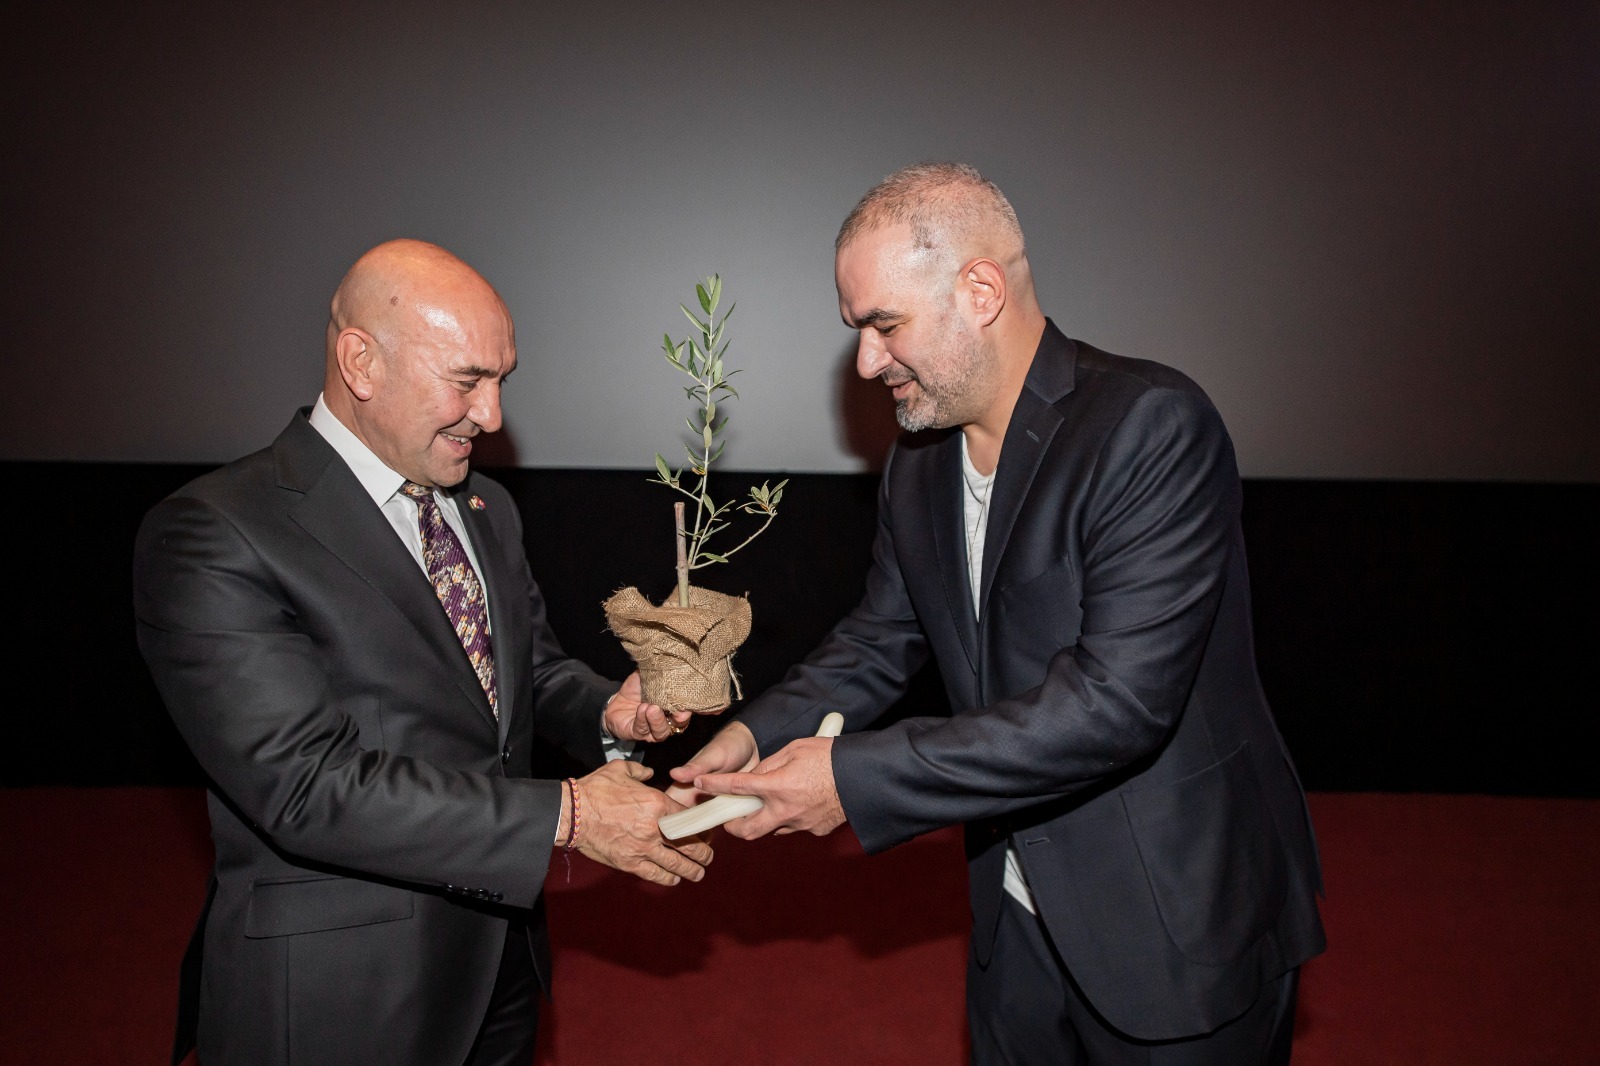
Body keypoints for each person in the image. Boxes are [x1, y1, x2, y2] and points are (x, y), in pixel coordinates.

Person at [673, 163, 1326, 1064]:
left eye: (885, 325)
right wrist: (756, 734)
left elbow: (1117, 705)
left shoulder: (1149, 426)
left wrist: (851, 781)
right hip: (1012, 920)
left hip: (1173, 918)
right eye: (858, 331)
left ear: (980, 292)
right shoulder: (918, 463)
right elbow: (881, 638)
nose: (866, 362)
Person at [134, 239, 710, 1066]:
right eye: (467, 380)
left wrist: (610, 714)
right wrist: (571, 816)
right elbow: (306, 786)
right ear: (360, 363)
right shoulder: (217, 533)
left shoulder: (485, 505)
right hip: (345, 990)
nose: (493, 416)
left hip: (501, 960)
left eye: (502, 380)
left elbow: (525, 676)